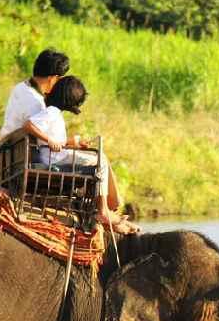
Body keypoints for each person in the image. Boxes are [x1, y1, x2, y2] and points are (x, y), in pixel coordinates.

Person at [24, 76, 140, 234]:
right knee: (100, 161)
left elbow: (57, 141)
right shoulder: (51, 112)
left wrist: (74, 142)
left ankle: (108, 207)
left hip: (58, 155)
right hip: (55, 159)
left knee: (100, 158)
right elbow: (29, 125)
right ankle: (105, 209)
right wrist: (49, 140)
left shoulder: (54, 113)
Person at [0, 48, 70, 143]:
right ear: (53, 79)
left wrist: (72, 142)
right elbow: (46, 144)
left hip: (9, 146)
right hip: (24, 151)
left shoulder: (21, 87)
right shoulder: (36, 103)